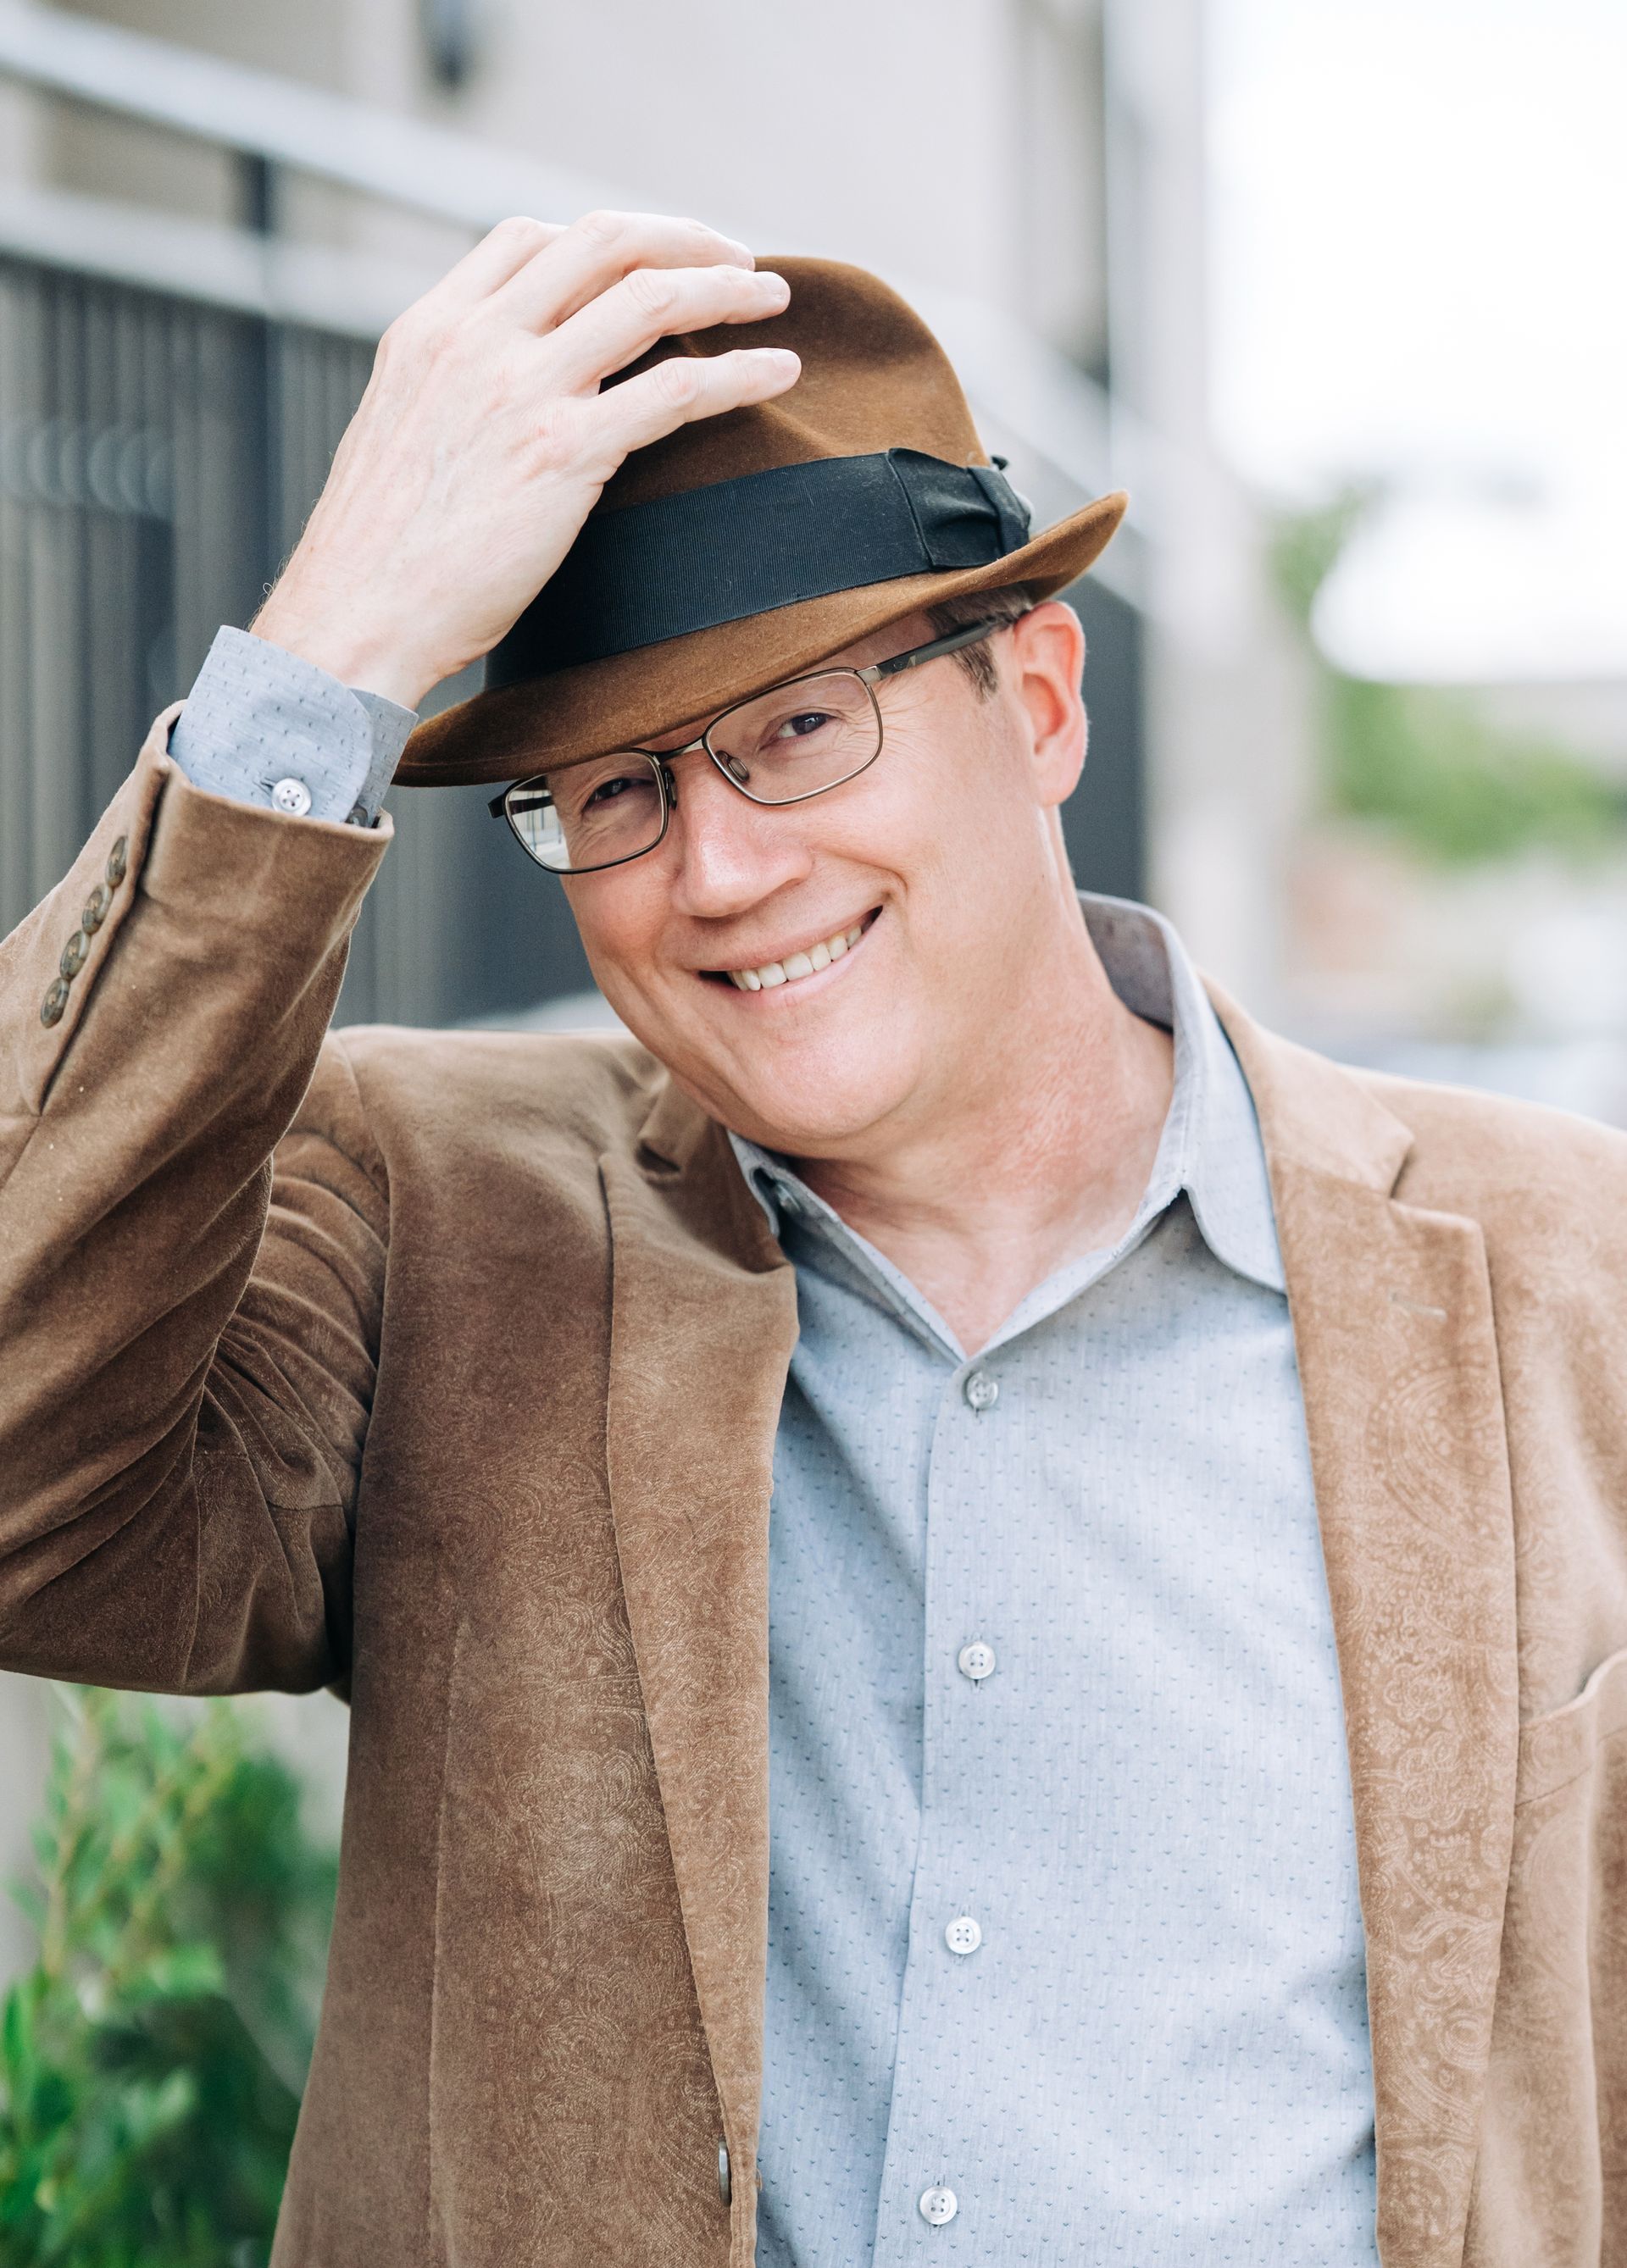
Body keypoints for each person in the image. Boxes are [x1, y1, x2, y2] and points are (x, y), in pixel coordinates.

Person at [1, 209, 1624, 2268]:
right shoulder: (432, 1218)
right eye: (615, 789)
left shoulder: (1565, 1262)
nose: (722, 870)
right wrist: (328, 647)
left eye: (796, 728)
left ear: (1039, 705)